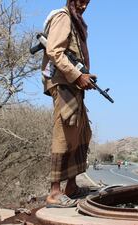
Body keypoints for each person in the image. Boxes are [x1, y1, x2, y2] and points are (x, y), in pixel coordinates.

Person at [42, 0, 95, 207]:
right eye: (81, 1)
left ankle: (71, 186)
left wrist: (84, 76)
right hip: (64, 83)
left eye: (87, 3)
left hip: (73, 85)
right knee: (64, 133)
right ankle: (55, 192)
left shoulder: (75, 21)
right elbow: (54, 51)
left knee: (81, 133)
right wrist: (76, 75)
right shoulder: (63, 17)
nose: (83, 6)